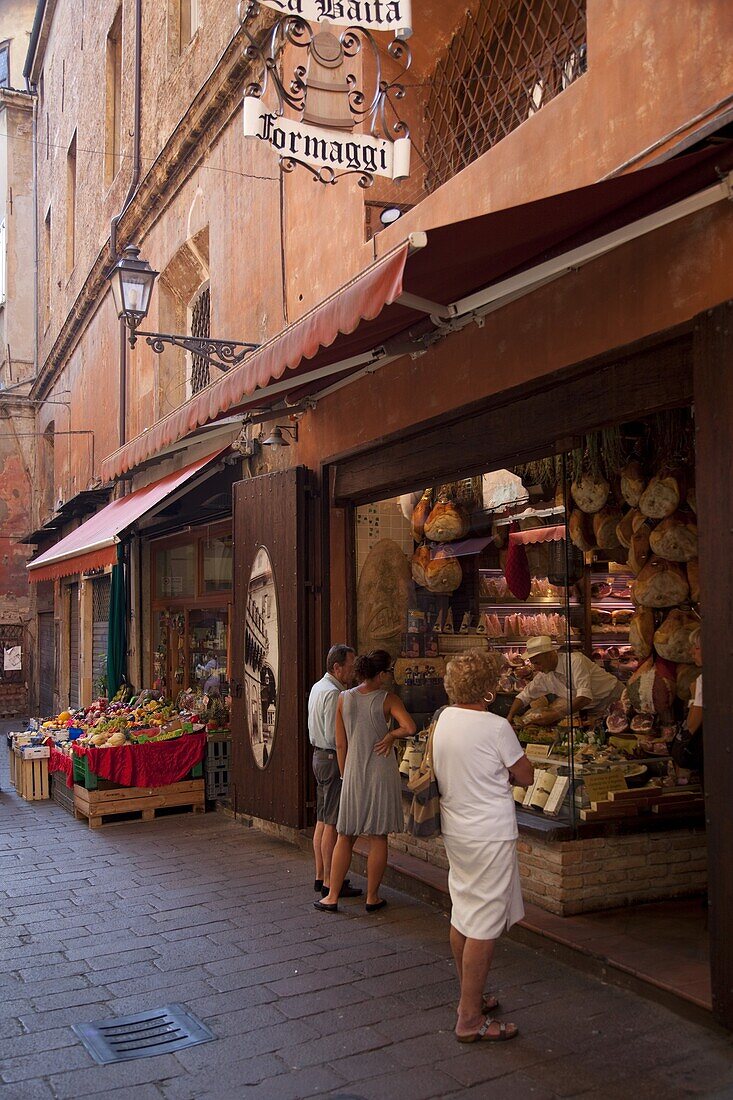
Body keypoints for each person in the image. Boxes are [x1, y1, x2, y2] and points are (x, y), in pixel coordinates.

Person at [431, 650, 534, 1044]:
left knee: (464, 913)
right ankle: (470, 1018)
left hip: (458, 830)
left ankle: (468, 997)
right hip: (489, 832)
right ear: (487, 688)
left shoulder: (444, 720)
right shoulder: (495, 727)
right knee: (484, 926)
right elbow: (524, 774)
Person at [315, 649, 416, 914]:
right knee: (378, 836)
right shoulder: (387, 699)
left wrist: (344, 773)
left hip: (352, 771)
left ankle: (332, 896)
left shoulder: (343, 698)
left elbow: (340, 742)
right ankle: (372, 897)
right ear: (381, 674)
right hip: (381, 771)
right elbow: (410, 727)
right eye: (388, 672)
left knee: (345, 835)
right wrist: (392, 735)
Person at [308, 644, 362, 900]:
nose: (353, 672)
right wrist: (345, 769)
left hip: (319, 755)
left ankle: (321, 875)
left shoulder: (319, 687)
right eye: (350, 667)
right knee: (331, 822)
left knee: (322, 819)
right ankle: (331, 881)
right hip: (331, 758)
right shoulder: (333, 693)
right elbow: (335, 736)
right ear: (337, 667)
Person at [507, 635, 623, 726]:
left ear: (550, 655)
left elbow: (584, 698)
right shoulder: (544, 675)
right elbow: (525, 696)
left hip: (614, 697)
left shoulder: (575, 661)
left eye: (538, 663)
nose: (536, 668)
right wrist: (510, 716)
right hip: (592, 708)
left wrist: (555, 715)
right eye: (533, 663)